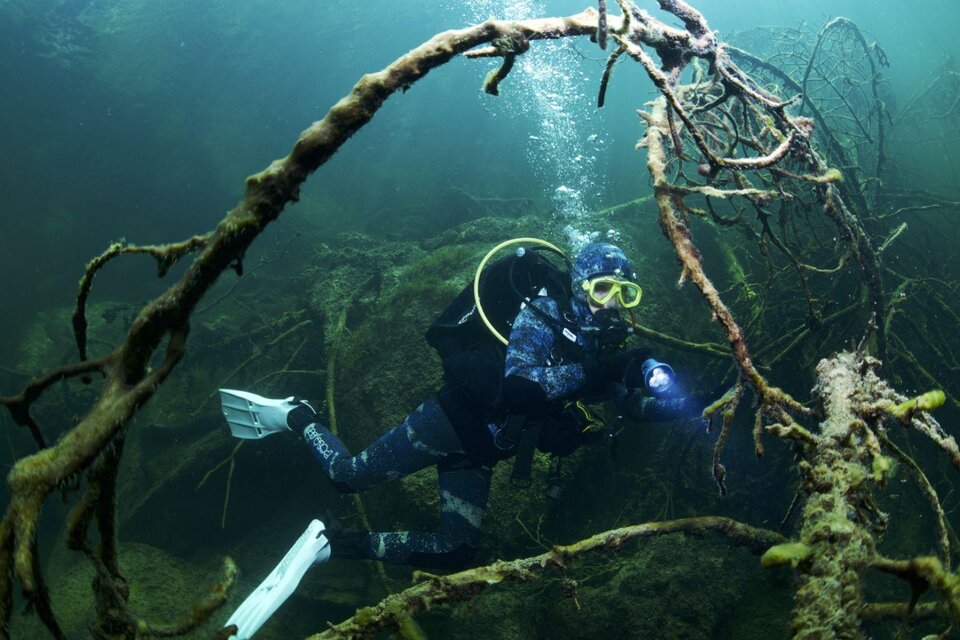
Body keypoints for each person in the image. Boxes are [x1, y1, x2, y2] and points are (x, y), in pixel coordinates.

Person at [217, 241, 708, 639]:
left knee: (455, 550)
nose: (613, 303)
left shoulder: (599, 344)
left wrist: (694, 405)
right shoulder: (544, 312)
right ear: (581, 285)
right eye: (603, 288)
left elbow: (629, 406)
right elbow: (521, 385)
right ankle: (296, 415)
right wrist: (602, 369)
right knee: (348, 477)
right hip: (447, 423)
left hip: (480, 453)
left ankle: (329, 545)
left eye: (626, 294)